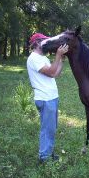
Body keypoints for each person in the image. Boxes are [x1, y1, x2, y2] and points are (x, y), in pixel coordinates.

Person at [27, 33, 69, 163]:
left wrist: (60, 60)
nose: (47, 43)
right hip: (45, 99)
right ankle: (44, 158)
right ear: (37, 43)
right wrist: (57, 55)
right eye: (44, 41)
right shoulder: (33, 58)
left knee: (51, 128)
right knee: (47, 129)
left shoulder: (42, 58)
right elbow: (51, 71)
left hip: (51, 97)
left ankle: (47, 153)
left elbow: (54, 74)